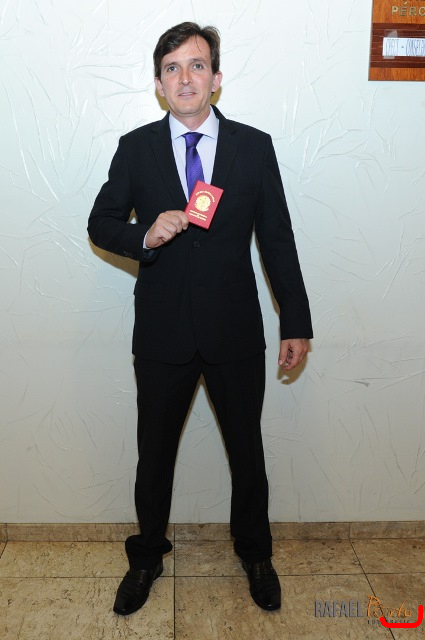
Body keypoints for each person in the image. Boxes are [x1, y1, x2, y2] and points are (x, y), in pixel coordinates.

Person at [88, 21, 313, 615]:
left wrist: (295, 320)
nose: (184, 78)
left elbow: (277, 239)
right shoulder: (135, 147)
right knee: (154, 456)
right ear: (159, 84)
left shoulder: (253, 146)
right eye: (172, 68)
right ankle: (145, 558)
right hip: (161, 333)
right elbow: (100, 223)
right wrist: (144, 234)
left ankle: (256, 554)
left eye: (196, 65)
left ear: (215, 79)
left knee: (248, 453)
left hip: (234, 331)